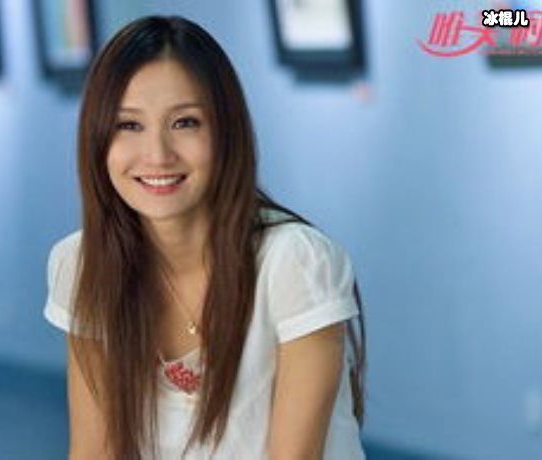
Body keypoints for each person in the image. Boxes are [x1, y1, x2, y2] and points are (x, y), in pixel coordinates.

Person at [43, 15, 366, 460]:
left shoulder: (296, 263)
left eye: (185, 122)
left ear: (226, 132)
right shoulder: (80, 263)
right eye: (128, 125)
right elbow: (94, 452)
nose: (158, 155)